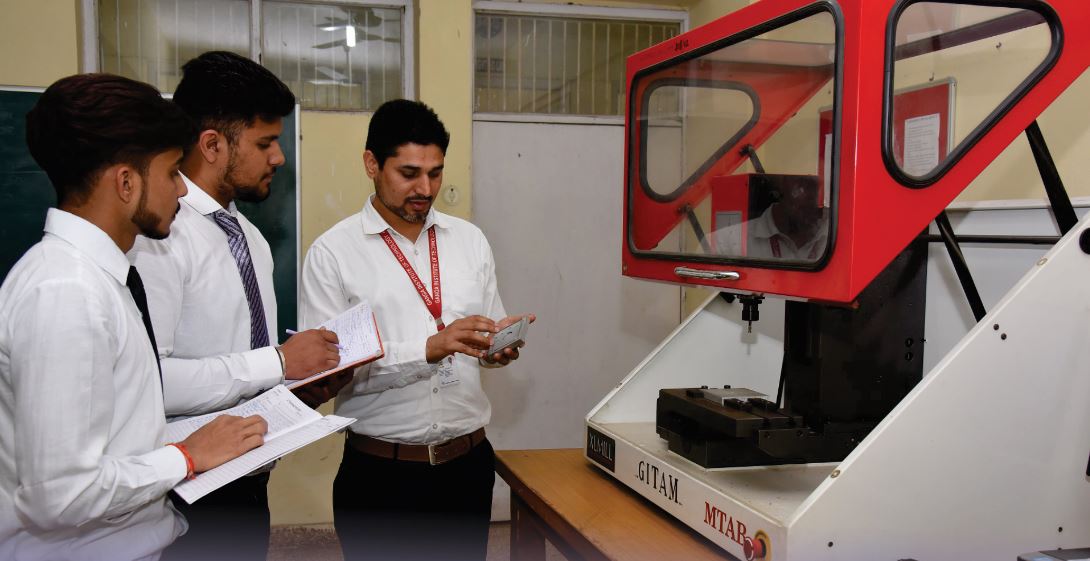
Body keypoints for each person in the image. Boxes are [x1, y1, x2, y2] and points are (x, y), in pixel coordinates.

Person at [0, 73, 268, 561]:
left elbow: (116, 436)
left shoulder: (101, 279)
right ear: (126, 182)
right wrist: (187, 455)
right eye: (171, 174)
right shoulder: (66, 292)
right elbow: (59, 495)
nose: (183, 193)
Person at [130, 51, 346, 561]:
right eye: (265, 142)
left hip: (247, 476)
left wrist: (297, 389)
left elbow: (243, 366)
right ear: (211, 144)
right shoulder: (159, 237)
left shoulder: (250, 237)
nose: (279, 157)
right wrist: (277, 361)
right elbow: (147, 380)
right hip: (183, 492)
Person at [301, 99, 534, 561]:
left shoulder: (469, 241)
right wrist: (427, 348)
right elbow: (326, 371)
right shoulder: (334, 253)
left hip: (466, 468)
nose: (424, 188)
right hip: (380, 476)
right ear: (372, 163)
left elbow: (486, 328)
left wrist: (495, 348)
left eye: (435, 173)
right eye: (408, 173)